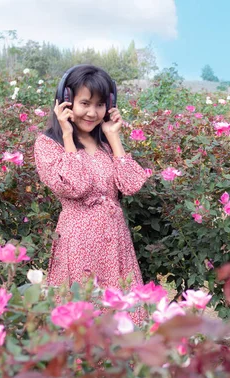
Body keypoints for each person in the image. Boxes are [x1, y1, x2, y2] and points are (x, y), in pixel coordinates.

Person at [34, 65, 148, 313]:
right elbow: (75, 187)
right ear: (66, 102)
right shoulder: (48, 145)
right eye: (84, 103)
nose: (92, 112)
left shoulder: (105, 144)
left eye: (99, 104)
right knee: (81, 318)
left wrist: (114, 137)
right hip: (78, 244)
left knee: (122, 318)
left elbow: (130, 185)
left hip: (115, 242)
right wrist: (67, 136)